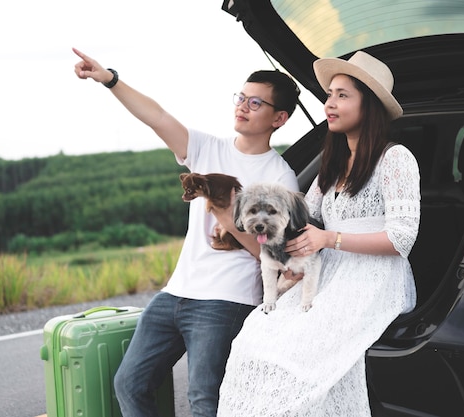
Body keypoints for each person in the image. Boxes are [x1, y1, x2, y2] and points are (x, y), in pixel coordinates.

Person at [72, 48, 301, 417]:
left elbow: (273, 257)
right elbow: (157, 116)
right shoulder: (207, 148)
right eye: (240, 98)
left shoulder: (279, 177)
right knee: (129, 383)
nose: (242, 106)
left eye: (255, 103)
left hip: (227, 301)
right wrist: (109, 79)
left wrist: (229, 220)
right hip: (176, 291)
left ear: (279, 118)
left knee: (204, 400)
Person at [217, 51, 420, 416]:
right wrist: (245, 212)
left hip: (375, 278)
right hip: (329, 273)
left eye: (343, 95)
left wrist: (330, 239)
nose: (330, 103)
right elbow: (302, 215)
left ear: (368, 105)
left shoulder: (396, 159)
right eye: (329, 94)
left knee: (303, 356)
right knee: (254, 341)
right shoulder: (334, 164)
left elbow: (401, 240)